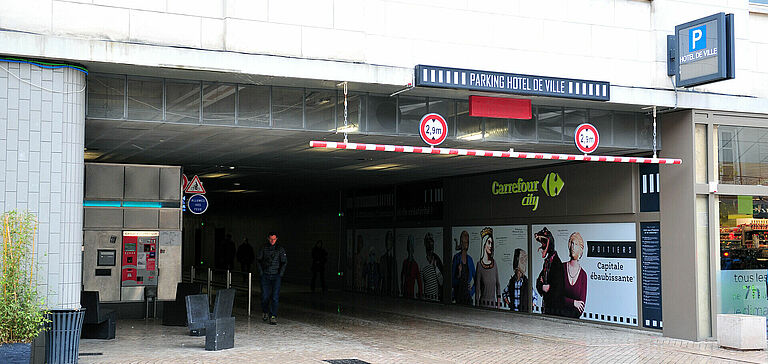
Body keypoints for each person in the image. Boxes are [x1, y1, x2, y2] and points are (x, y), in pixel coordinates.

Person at [256, 232, 287, 325]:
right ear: (268, 239)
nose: (272, 241)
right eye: (271, 239)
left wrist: (280, 274)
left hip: (276, 276)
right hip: (265, 275)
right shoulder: (264, 248)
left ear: (276, 239)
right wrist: (261, 273)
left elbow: (284, 262)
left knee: (275, 297)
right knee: (265, 296)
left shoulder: (280, 249)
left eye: (274, 239)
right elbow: (258, 260)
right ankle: (265, 311)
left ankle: (273, 315)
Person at [535, 227, 564, 316]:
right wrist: (543, 287)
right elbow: (538, 281)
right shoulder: (547, 262)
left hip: (554, 309)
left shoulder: (557, 263)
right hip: (546, 307)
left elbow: (558, 288)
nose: (542, 246)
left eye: (544, 243)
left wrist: (548, 288)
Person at [561, 232, 587, 318]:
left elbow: (581, 306)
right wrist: (573, 303)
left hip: (574, 320)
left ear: (581, 249)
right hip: (558, 317)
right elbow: (556, 296)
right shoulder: (561, 268)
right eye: (571, 243)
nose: (573, 247)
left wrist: (566, 302)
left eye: (576, 244)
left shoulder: (583, 275)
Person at [475, 227, 500, 308]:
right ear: (484, 244)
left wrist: (499, 304)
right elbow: (477, 287)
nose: (490, 246)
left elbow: (498, 284)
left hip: (493, 304)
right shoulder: (479, 265)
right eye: (489, 242)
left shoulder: (494, 263)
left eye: (492, 243)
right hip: (483, 304)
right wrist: (477, 305)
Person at [451, 230, 475, 305]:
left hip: (467, 297)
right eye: (464, 242)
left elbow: (477, 279)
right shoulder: (456, 258)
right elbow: (451, 280)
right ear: (461, 243)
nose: (466, 244)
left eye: (467, 242)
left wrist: (471, 291)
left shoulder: (470, 260)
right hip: (457, 296)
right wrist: (458, 275)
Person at [420, 233, 443, 301]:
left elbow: (441, 282)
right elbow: (421, 284)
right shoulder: (423, 264)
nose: (430, 243)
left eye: (431, 241)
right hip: (427, 298)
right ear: (425, 244)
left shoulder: (437, 260)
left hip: (436, 299)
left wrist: (436, 268)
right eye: (428, 241)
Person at [379, 231, 397, 297]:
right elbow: (380, 275)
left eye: (389, 240)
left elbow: (395, 277)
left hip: (391, 288)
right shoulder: (382, 258)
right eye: (387, 240)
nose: (387, 242)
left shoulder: (394, 260)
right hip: (385, 287)